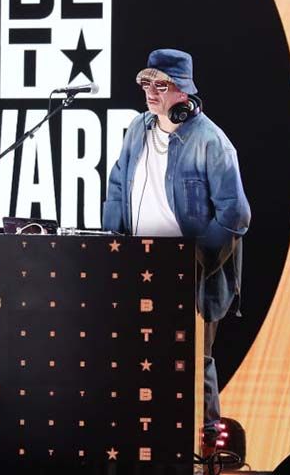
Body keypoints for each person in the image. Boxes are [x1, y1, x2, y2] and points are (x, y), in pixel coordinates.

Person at [102, 48, 250, 460]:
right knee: (136, 360)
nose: (150, 92)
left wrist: (198, 258)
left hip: (190, 274)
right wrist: (115, 239)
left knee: (194, 365)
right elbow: (118, 182)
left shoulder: (211, 142)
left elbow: (236, 214)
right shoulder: (137, 129)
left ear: (182, 91)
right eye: (146, 83)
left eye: (160, 85)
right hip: (139, 266)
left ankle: (204, 457)